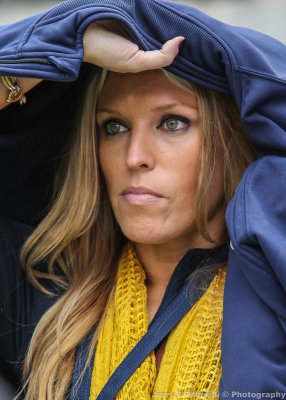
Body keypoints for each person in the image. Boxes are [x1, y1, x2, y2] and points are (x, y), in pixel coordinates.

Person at [0, 1, 286, 399]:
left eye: (172, 123)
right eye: (113, 126)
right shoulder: (48, 296)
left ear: (231, 139)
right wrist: (62, 46)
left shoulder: (272, 292)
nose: (135, 157)